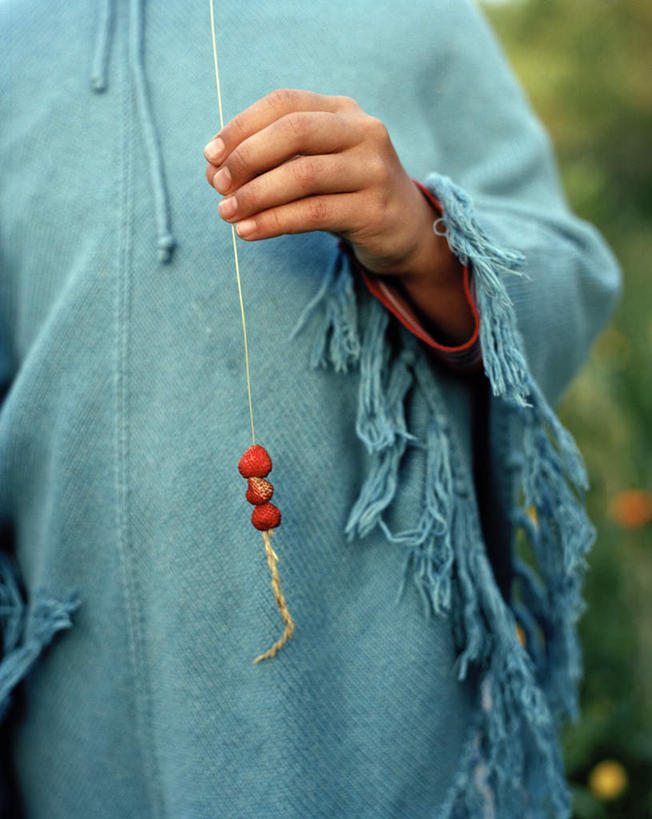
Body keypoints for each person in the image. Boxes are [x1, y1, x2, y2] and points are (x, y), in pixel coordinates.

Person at [0, 1, 621, 816]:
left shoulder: (415, 16)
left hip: (376, 691)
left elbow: (571, 274)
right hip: (75, 708)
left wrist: (425, 235)